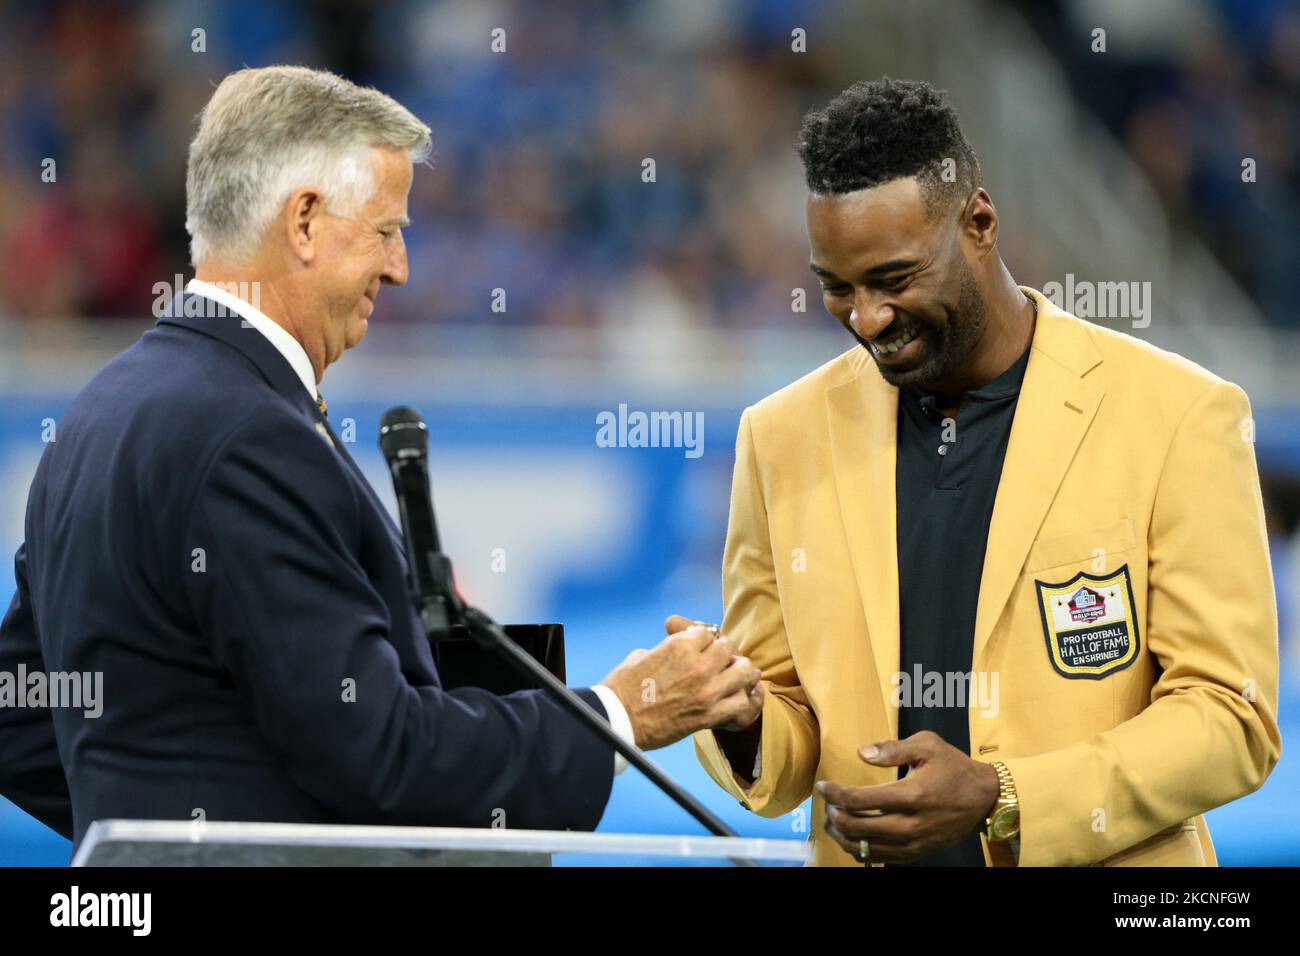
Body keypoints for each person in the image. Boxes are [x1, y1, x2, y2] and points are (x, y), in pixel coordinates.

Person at [0, 65, 763, 853]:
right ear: (304, 221)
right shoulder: (253, 437)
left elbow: (19, 715)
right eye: (385, 231)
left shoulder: (96, 414)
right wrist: (623, 713)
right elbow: (383, 755)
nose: (399, 267)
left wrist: (166, 824)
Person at [689, 77, 1280, 866]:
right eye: (837, 288)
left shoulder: (1179, 415)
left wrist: (1006, 796)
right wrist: (740, 717)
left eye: (895, 279)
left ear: (980, 224)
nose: (866, 317)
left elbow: (1230, 718)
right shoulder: (779, 438)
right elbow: (788, 745)